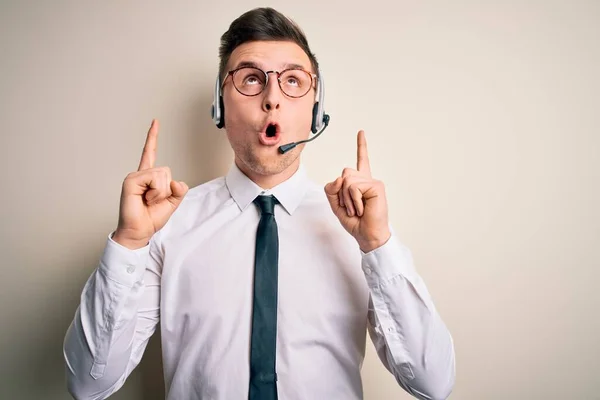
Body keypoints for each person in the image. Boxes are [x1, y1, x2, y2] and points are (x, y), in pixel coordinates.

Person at [63, 7, 455, 400]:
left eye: (292, 81)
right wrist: (129, 243)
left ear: (316, 108)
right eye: (251, 79)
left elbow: (433, 383)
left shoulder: (360, 230)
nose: (272, 99)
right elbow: (88, 384)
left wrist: (379, 246)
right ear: (220, 105)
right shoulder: (166, 226)